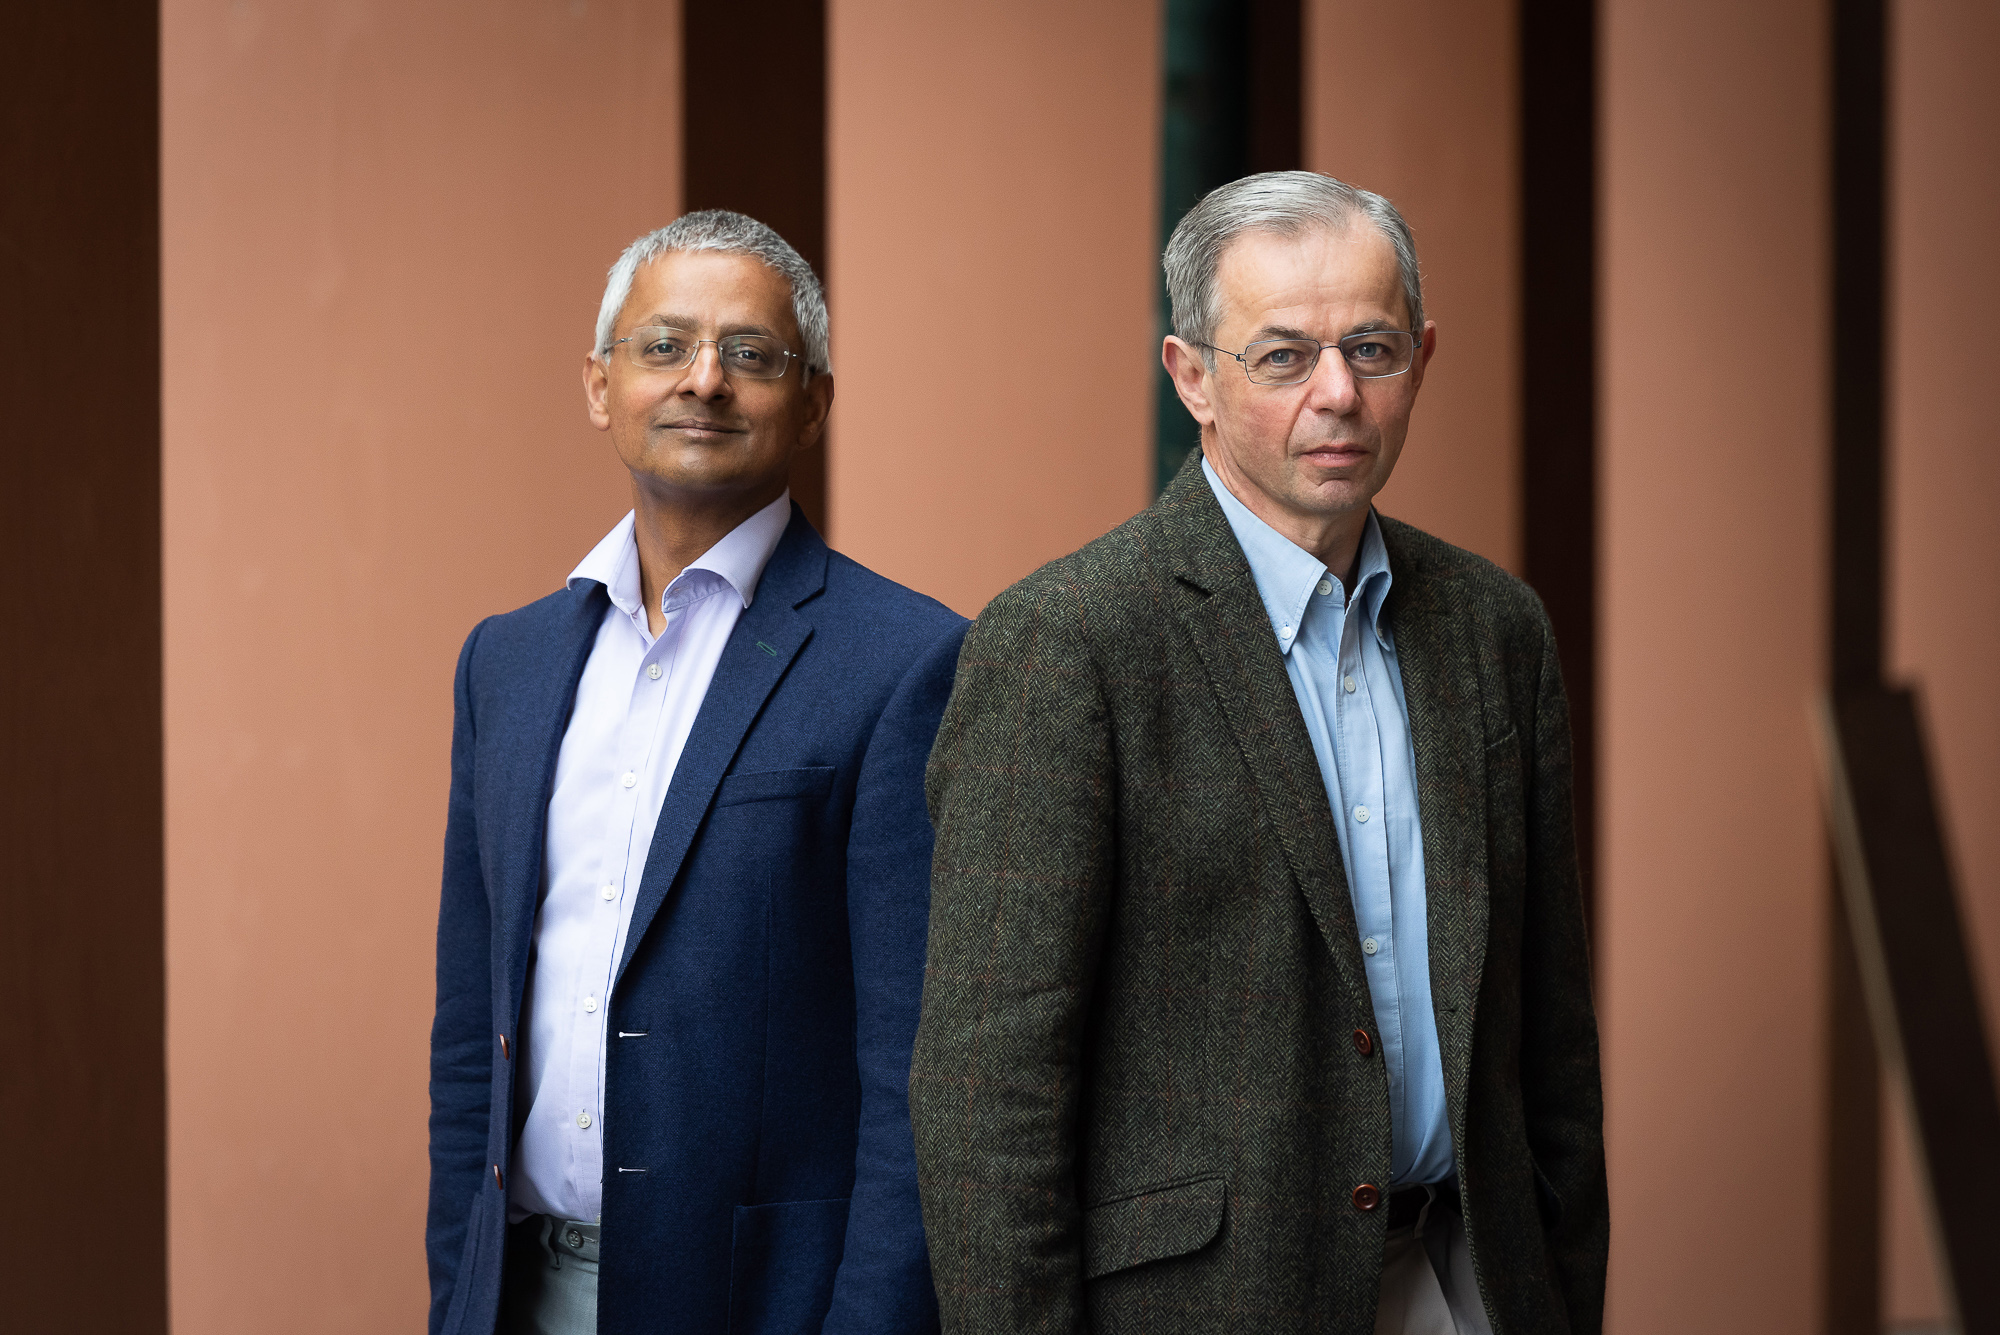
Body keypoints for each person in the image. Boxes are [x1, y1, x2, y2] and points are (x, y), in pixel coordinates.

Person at [910, 172, 1607, 1334]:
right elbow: (989, 1093)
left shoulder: (1494, 629)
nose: (1335, 393)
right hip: (1202, 1305)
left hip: (1468, 1281)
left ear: (1421, 359)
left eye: (1371, 349)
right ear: (1191, 377)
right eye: (1281, 356)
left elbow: (1550, 1035)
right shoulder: (1067, 643)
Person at [427, 211, 962, 1335]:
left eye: (751, 356)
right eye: (662, 346)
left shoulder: (904, 662)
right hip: (520, 1291)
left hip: (757, 1303)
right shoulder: (508, 664)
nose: (703, 382)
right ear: (598, 384)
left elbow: (916, 1082)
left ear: (812, 399)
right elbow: (474, 1041)